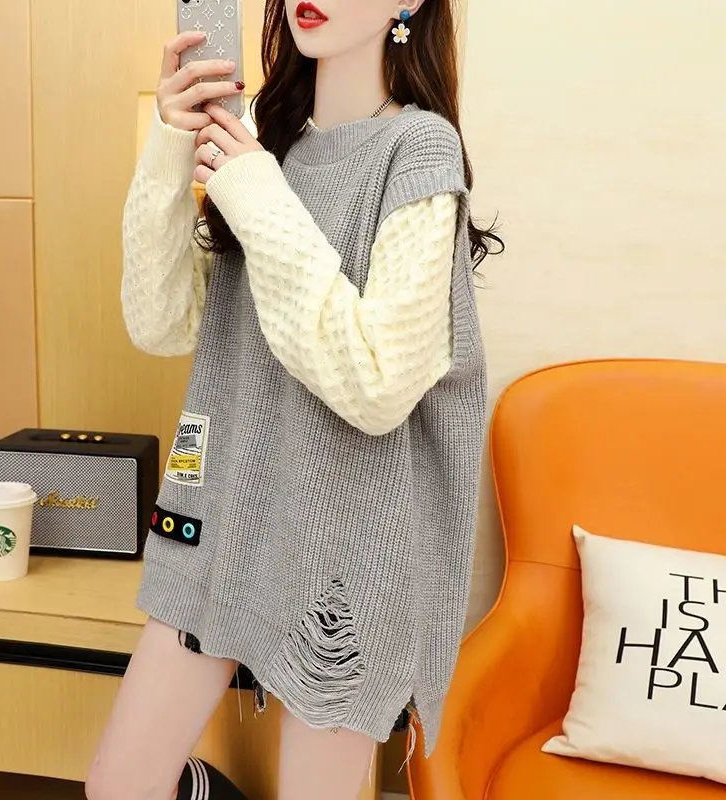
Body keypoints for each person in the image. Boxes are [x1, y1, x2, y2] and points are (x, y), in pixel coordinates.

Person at [85, 0, 502, 798]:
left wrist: (251, 186)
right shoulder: (265, 144)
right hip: (224, 522)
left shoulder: (419, 148)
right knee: (119, 786)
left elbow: (377, 383)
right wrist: (173, 145)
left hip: (348, 563)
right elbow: (161, 322)